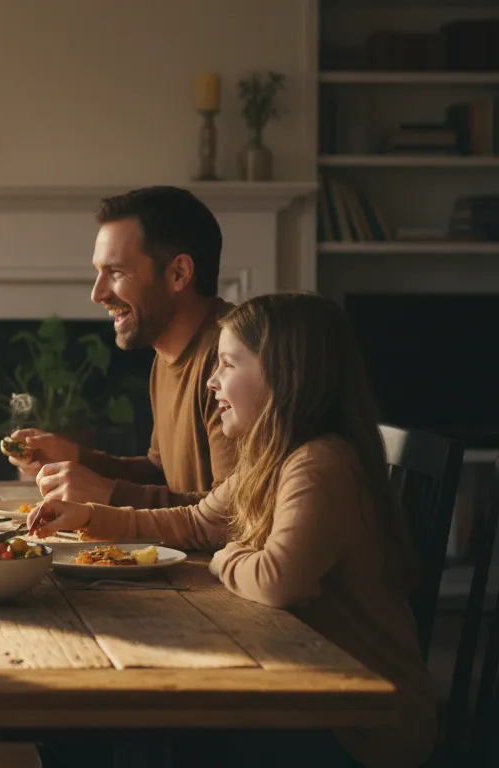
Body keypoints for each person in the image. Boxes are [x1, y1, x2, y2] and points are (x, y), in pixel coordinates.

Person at [30, 292, 434, 768]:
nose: (211, 380)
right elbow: (197, 521)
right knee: (120, 733)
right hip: (305, 689)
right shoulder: (274, 455)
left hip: (358, 727)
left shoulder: (320, 461)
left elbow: (276, 580)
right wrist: (92, 517)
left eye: (227, 364)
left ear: (284, 375)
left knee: (141, 734)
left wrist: (227, 555)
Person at [9, 186, 237, 508]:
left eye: (116, 272)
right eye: (98, 272)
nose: (97, 294)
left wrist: (108, 495)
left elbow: (232, 514)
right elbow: (161, 475)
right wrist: (75, 457)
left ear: (179, 273)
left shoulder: (234, 359)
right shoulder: (168, 353)